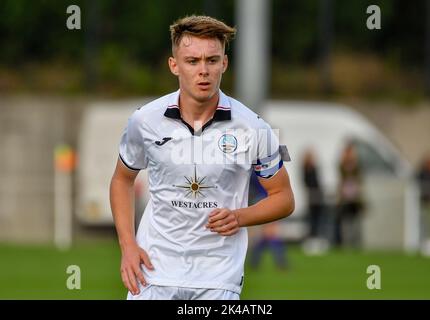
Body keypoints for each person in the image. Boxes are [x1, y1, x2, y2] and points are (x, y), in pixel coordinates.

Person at [109, 15, 295, 300]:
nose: (203, 71)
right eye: (192, 61)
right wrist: (128, 246)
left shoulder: (256, 128)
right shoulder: (143, 120)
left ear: (225, 64)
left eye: (211, 60)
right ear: (174, 65)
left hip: (218, 279)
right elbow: (122, 180)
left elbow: (284, 197)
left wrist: (239, 216)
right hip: (153, 273)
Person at [335, 143, 365, 248]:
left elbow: (359, 181)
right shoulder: (342, 166)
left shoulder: (357, 166)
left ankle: (357, 245)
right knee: (346, 223)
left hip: (355, 199)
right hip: (345, 199)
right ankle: (347, 245)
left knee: (356, 223)